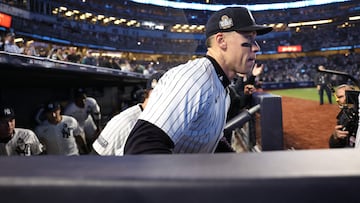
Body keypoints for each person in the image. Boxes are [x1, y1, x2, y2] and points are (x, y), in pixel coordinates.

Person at [124, 6, 272, 154]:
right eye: (248, 38)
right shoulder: (193, 80)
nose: (256, 47)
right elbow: (140, 148)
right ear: (221, 41)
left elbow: (211, 142)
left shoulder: (220, 85)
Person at [92, 71, 165, 155]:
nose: (162, 98)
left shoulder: (165, 122)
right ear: (146, 94)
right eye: (158, 94)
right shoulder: (124, 122)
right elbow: (95, 158)